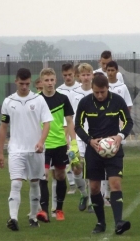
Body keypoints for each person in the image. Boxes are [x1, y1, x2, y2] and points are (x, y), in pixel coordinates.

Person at [75, 74, 133, 235]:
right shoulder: (85, 102)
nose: (99, 95)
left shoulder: (117, 101)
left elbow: (128, 121)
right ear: (92, 89)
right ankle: (100, 222)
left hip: (113, 149)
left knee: (115, 184)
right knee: (94, 188)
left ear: (108, 88)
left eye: (102, 92)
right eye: (96, 92)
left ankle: (119, 222)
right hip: (94, 150)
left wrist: (119, 136)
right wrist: (89, 140)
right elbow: (78, 125)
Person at [0, 68, 53, 230]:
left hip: (35, 150)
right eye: (21, 83)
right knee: (16, 183)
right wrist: (1, 153)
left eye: (27, 84)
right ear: (16, 81)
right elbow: (3, 127)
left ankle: (33, 217)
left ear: (31, 82)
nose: (24, 87)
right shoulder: (8, 101)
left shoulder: (38, 100)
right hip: (16, 150)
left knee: (35, 183)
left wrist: (41, 141)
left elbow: (47, 122)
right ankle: (13, 218)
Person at [36, 67, 79, 222]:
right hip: (44, 146)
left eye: (52, 80)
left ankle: (59, 210)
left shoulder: (63, 98)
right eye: (46, 80)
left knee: (60, 176)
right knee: (44, 176)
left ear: (55, 80)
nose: (49, 83)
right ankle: (44, 211)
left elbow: (69, 121)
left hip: (60, 144)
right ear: (41, 82)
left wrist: (73, 143)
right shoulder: (36, 100)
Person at [100, 60, 133, 206]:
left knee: (113, 160)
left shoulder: (122, 87)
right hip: (103, 129)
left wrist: (121, 125)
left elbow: (128, 108)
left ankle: (109, 193)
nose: (111, 73)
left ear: (117, 71)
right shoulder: (102, 87)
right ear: (105, 71)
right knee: (102, 160)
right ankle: (104, 195)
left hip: (117, 130)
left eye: (113, 70)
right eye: (108, 70)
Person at [69, 63, 94, 212]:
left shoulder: (96, 91)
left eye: (88, 74)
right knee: (76, 167)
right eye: (83, 75)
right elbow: (70, 118)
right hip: (78, 136)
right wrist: (70, 138)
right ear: (78, 76)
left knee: (90, 169)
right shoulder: (73, 94)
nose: (85, 77)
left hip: (92, 135)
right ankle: (84, 194)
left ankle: (91, 202)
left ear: (92, 75)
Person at [57, 62, 81, 194]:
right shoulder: (59, 90)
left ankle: (81, 183)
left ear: (75, 74)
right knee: (68, 155)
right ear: (62, 75)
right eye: (65, 75)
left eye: (70, 74)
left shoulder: (80, 88)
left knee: (79, 158)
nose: (68, 77)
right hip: (65, 126)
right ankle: (72, 184)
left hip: (80, 126)